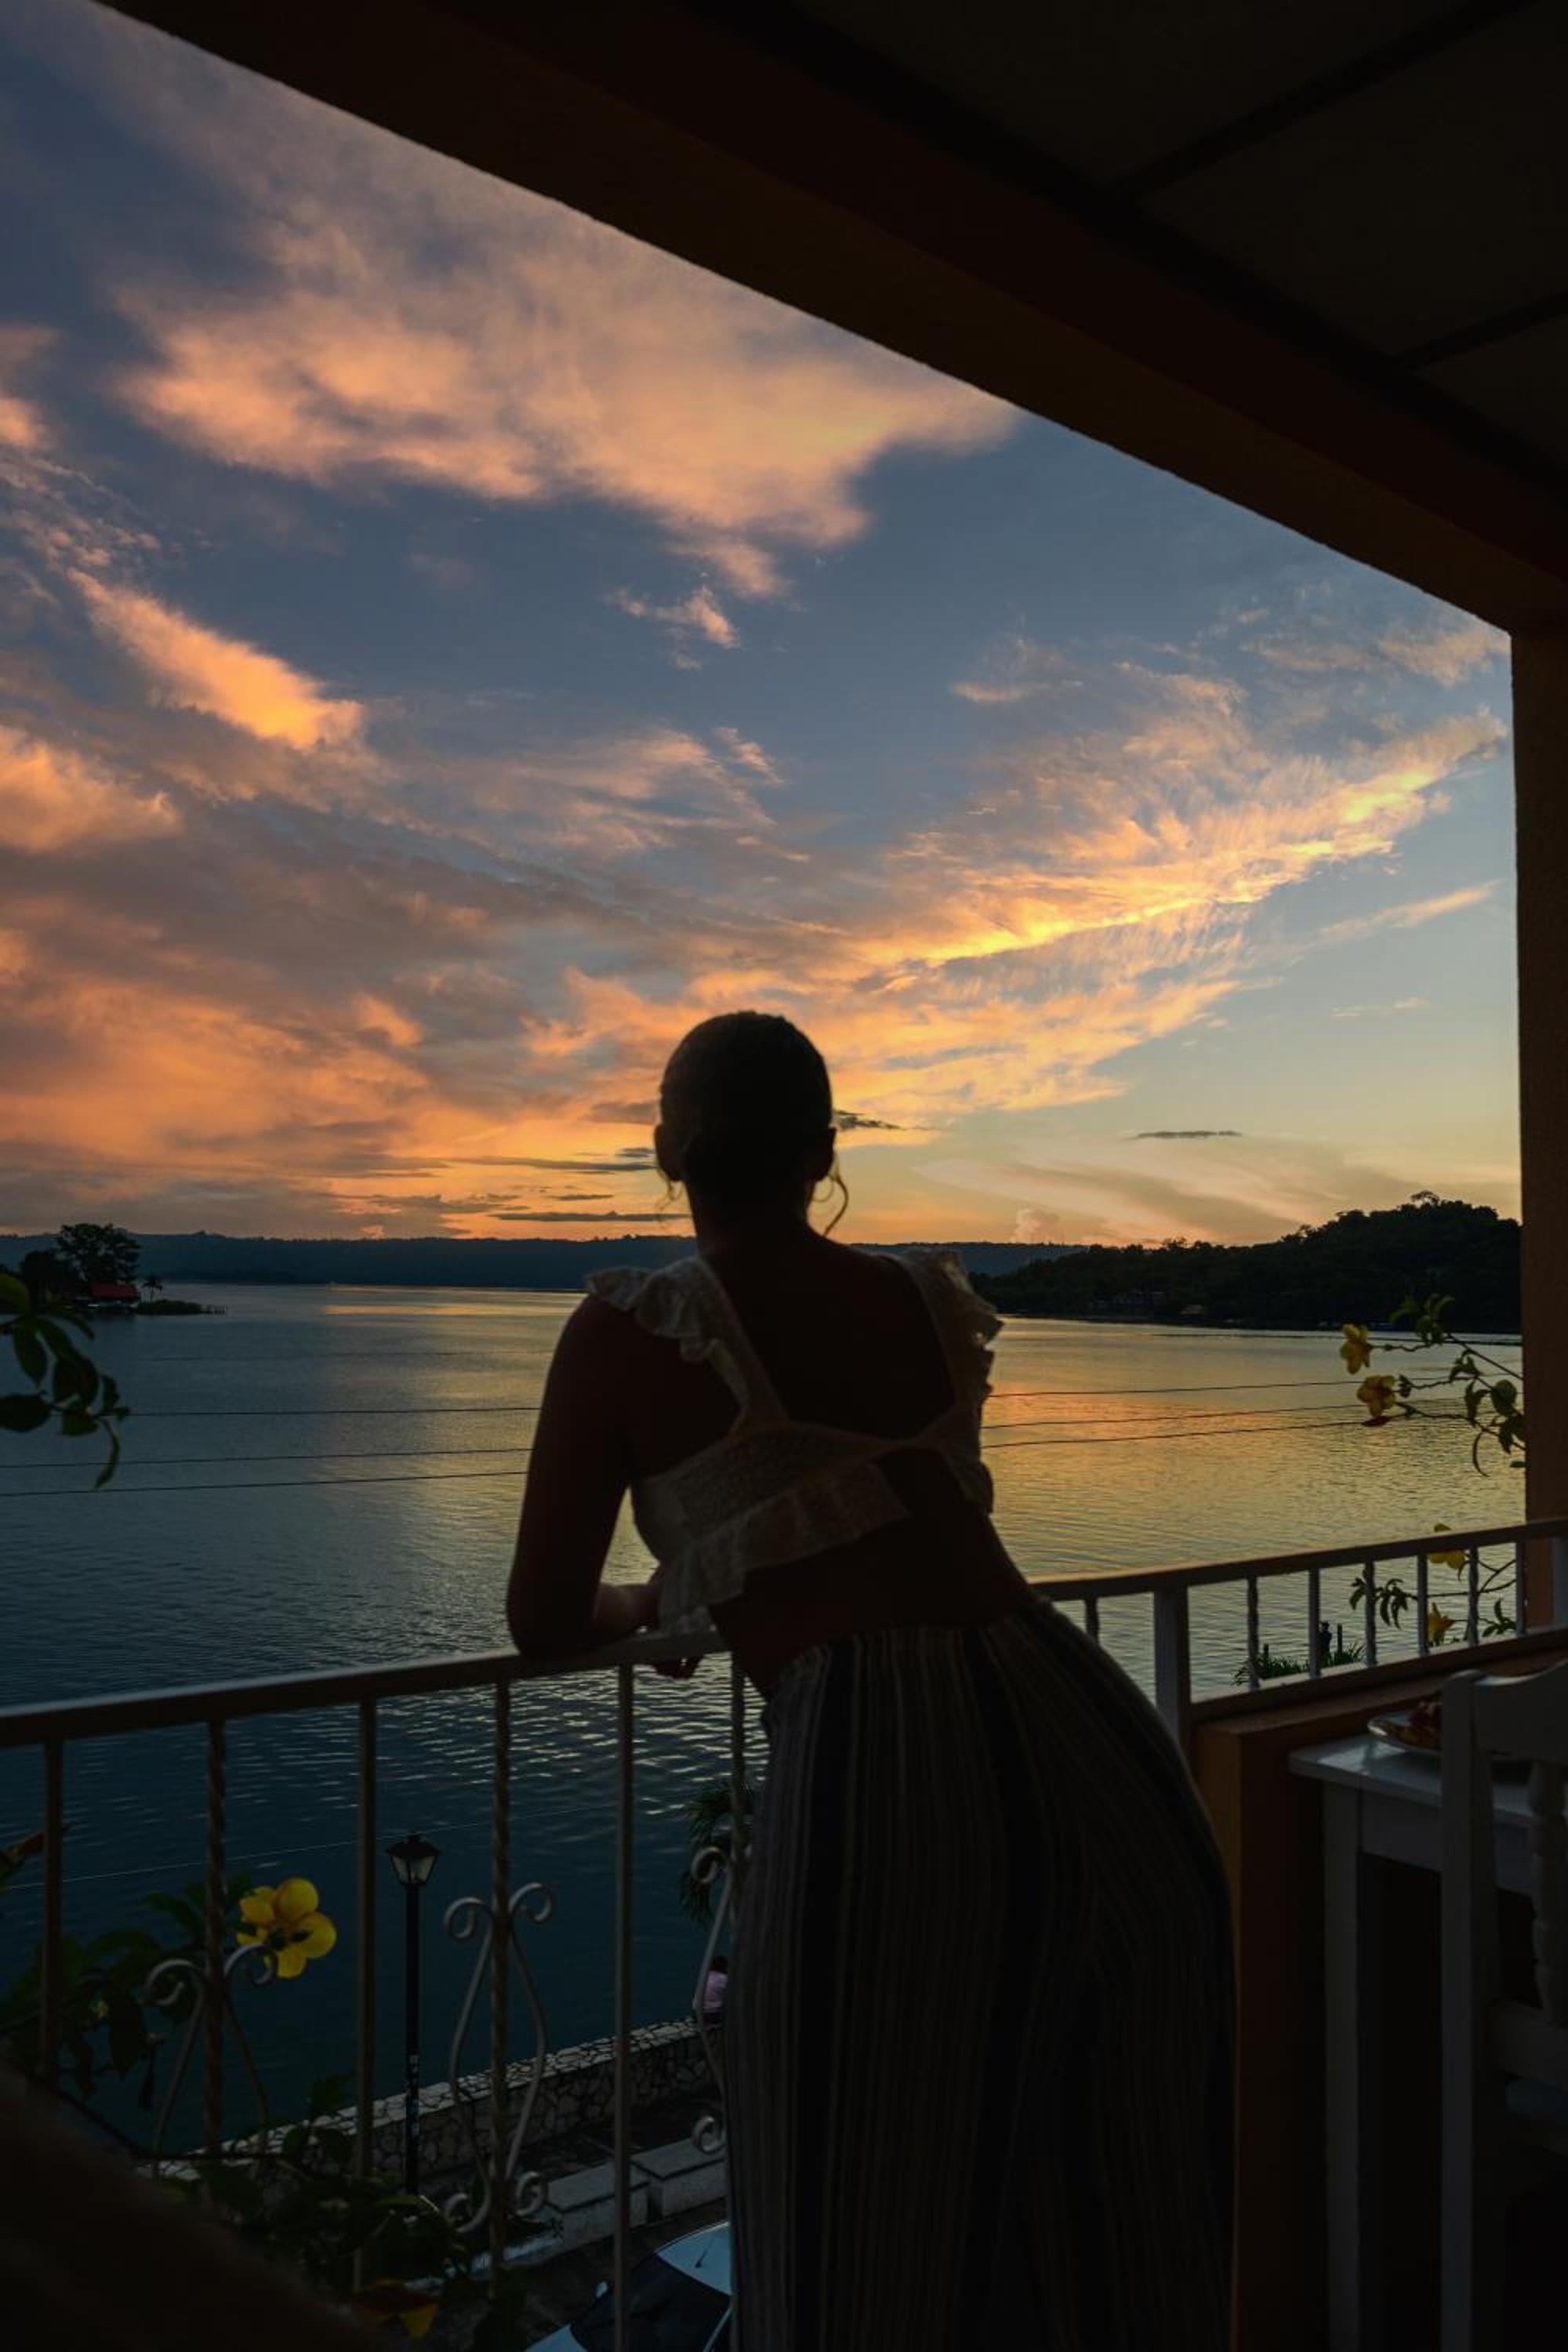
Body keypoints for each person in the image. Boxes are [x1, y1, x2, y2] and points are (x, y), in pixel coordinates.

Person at [507, 1011, 1233, 2350]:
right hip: (1084, 1721)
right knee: (1124, 2235)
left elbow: (544, 1618)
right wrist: (698, 1577)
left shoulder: (631, 1328)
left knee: (857, 2240)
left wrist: (651, 1600)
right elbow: (857, 1508)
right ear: (826, 1153)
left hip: (888, 1765)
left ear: (668, 1152)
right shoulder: (924, 1302)